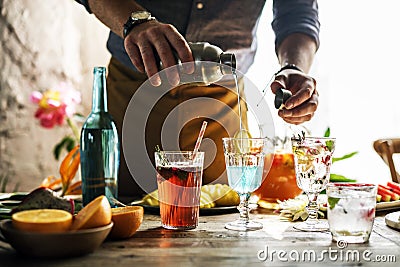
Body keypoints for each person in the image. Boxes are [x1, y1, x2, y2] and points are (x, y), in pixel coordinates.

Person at [75, 0, 320, 199]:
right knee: (121, 207)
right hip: (134, 89)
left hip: (223, 100)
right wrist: (135, 21)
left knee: (223, 212)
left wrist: (294, 66)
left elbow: (297, 12)